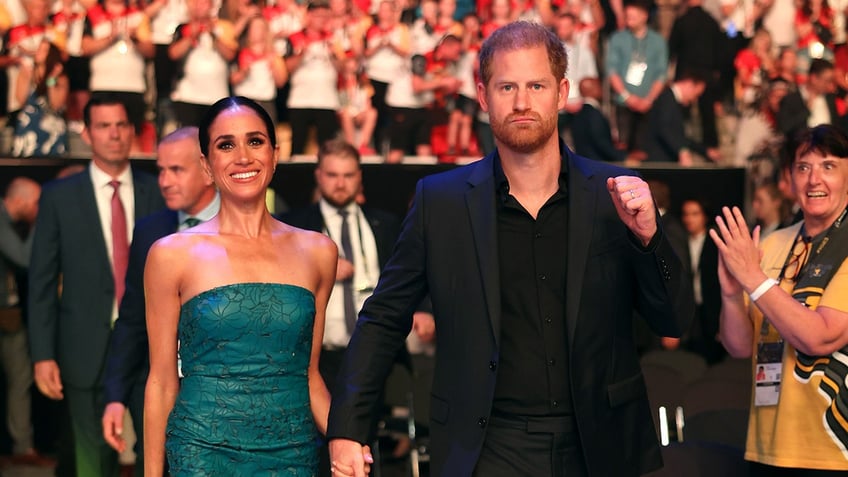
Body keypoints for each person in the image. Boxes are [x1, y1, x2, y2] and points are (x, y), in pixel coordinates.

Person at [327, 21, 694, 477]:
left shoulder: (613, 193)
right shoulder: (439, 203)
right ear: (482, 96)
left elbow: (674, 320)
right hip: (486, 448)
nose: (522, 102)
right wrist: (346, 426)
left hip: (602, 443)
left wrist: (649, 239)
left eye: (536, 85)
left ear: (561, 93)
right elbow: (384, 318)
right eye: (507, 86)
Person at [143, 96, 371, 476]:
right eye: (226, 145)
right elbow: (162, 382)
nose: (243, 156)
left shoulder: (318, 252)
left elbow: (310, 375)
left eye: (255, 141)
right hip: (202, 454)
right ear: (206, 164)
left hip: (293, 455)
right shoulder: (171, 255)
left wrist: (344, 440)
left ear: (275, 153)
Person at [27, 95, 164, 477]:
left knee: (156, 457)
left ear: (132, 131)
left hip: (150, 344)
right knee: (93, 460)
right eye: (104, 126)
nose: (114, 134)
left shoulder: (158, 191)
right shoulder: (59, 197)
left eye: (121, 125)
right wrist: (42, 354)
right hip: (82, 344)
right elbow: (40, 280)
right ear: (87, 134)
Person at [712, 124, 848, 474]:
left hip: (833, 453)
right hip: (768, 447)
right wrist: (730, 292)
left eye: (828, 166)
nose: (814, 179)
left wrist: (753, 278)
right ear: (789, 178)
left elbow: (821, 336)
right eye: (803, 168)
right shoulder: (772, 244)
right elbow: (741, 346)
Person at [101, 127, 219, 475]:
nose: (164, 181)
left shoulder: (242, 224)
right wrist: (115, 396)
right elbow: (133, 319)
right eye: (160, 170)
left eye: (176, 170)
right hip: (156, 389)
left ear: (206, 168)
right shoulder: (151, 230)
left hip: (223, 392)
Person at [281, 138, 400, 476]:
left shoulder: (385, 224)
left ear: (359, 177)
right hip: (317, 353)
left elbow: (409, 281)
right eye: (332, 174)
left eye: (348, 175)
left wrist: (422, 312)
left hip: (371, 353)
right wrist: (325, 267)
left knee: (363, 443)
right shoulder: (293, 225)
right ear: (318, 176)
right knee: (318, 445)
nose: (340, 182)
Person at [0, 177, 50, 466]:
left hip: (10, 315)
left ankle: (21, 447)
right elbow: (24, 258)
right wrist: (39, 226)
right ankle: (21, 447)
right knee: (19, 380)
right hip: (6, 317)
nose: (38, 210)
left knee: (19, 380)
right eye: (36, 205)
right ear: (19, 201)